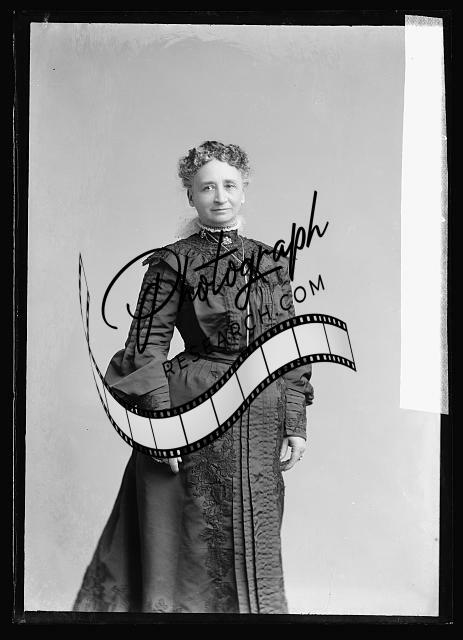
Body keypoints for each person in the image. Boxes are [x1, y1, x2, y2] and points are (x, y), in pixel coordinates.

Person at [73, 141, 314, 614]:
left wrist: (295, 422)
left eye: (229, 185)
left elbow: (288, 348)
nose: (219, 197)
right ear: (191, 195)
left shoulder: (270, 262)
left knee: (254, 542)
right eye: (207, 187)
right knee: (180, 544)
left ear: (244, 191)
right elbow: (146, 347)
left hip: (259, 417)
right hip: (191, 415)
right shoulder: (172, 262)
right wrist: (162, 429)